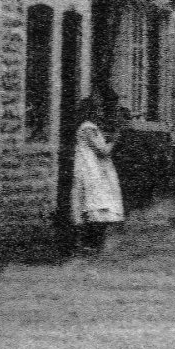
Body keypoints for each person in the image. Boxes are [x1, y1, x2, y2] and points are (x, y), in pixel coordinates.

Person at [71, 91, 125, 253]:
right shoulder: (88, 128)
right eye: (98, 109)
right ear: (92, 111)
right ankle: (90, 242)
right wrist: (115, 138)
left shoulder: (89, 128)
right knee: (95, 202)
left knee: (92, 202)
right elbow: (103, 151)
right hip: (91, 168)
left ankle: (90, 242)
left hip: (90, 166)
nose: (101, 112)